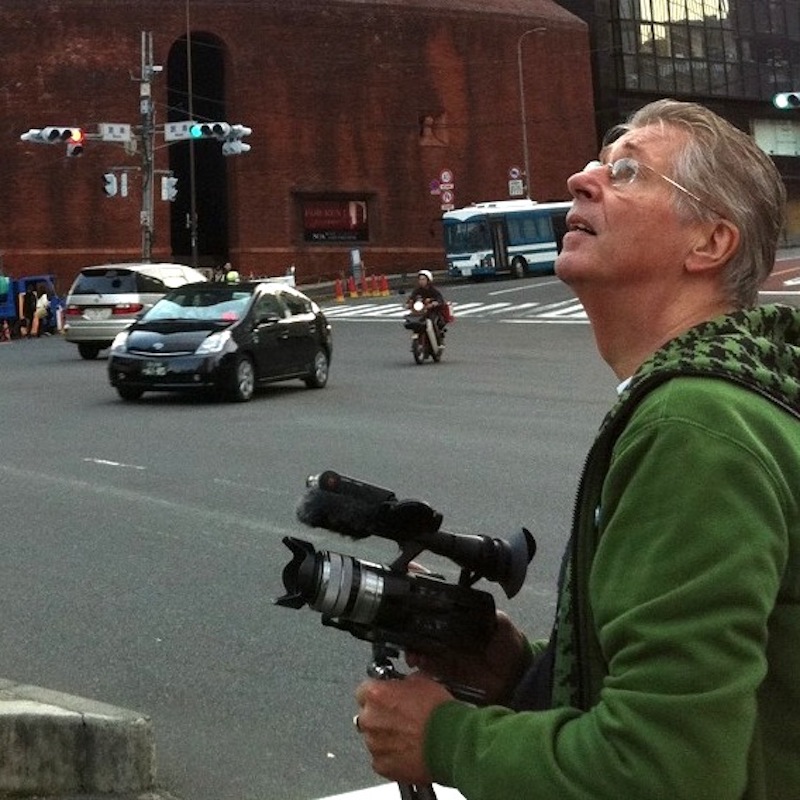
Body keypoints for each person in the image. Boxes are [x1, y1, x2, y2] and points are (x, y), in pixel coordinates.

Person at [354, 99, 800, 798]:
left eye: (627, 172)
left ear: (710, 243)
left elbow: (664, 772)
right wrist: (518, 672)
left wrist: (444, 738)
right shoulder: (732, 399)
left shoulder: (694, 428)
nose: (580, 179)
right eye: (599, 163)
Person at [406, 269, 448, 338]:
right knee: (412, 320)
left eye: (423, 279)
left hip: (431, 311)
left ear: (428, 280)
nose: (421, 281)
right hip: (420, 312)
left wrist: (435, 303)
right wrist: (408, 304)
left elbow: (440, 299)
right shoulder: (417, 290)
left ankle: (438, 339)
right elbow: (411, 298)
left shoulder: (433, 290)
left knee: (434, 322)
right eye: (420, 279)